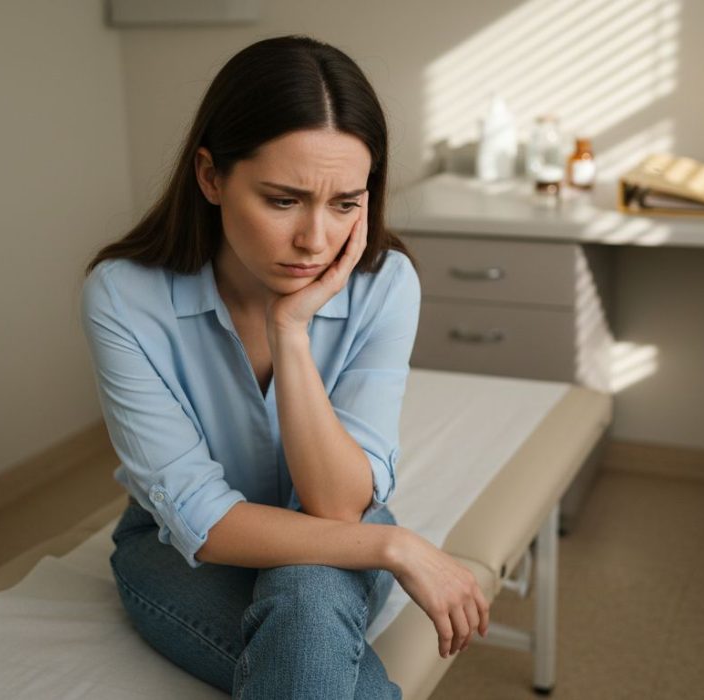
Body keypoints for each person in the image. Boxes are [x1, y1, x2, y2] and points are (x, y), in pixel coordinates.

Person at [79, 35, 490, 699]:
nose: (316, 240)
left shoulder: (386, 285)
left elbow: (335, 507)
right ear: (211, 176)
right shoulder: (124, 296)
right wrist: (397, 547)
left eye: (345, 204)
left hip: (339, 528)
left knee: (306, 594)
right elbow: (201, 520)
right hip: (178, 551)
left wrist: (290, 331)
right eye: (282, 200)